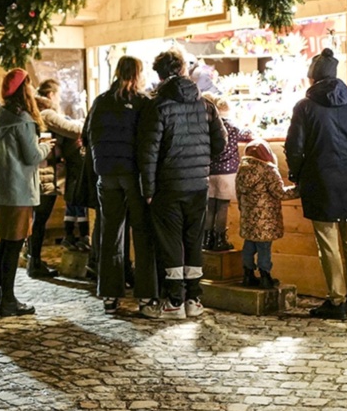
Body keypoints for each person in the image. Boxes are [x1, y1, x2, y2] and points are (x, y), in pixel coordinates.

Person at [284, 47, 347, 320]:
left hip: (319, 180)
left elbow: (294, 148)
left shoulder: (304, 107)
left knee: (327, 243)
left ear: (313, 78)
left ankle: (336, 300)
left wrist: (297, 173)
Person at [137, 50, 227, 319]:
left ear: (160, 74)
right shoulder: (205, 104)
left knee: (171, 241)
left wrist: (148, 190)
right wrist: (199, 159)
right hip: (198, 184)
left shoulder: (157, 106)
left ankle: (175, 301)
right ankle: (194, 300)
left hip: (168, 185)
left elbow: (148, 152)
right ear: (184, 70)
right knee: (193, 239)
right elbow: (220, 144)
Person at [85, 56, 157, 316]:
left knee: (111, 233)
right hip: (133, 175)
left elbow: (89, 134)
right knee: (142, 232)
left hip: (107, 174)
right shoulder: (142, 103)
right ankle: (146, 294)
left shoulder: (101, 102)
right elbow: (148, 141)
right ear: (138, 74)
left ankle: (110, 295)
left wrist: (99, 164)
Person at [0, 69, 52, 317]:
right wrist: (46, 146)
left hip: (2, 190)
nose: (32, 89)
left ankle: (1, 297)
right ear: (22, 90)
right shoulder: (23, 120)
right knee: (13, 247)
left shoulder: (1, 116)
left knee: (5, 245)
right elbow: (32, 156)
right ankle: (8, 301)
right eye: (29, 85)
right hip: (19, 190)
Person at [27, 79, 83, 279]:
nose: (59, 99)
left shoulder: (36, 111)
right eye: (58, 95)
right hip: (45, 172)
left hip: (41, 170)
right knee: (40, 219)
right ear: (51, 95)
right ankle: (34, 262)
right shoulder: (47, 113)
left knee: (37, 219)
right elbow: (73, 129)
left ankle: (33, 259)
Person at [235, 140, 297, 289]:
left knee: (249, 246)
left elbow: (238, 194)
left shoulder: (241, 170)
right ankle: (265, 277)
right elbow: (279, 192)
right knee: (264, 248)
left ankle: (248, 275)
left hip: (248, 217)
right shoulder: (268, 170)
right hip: (265, 220)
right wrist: (299, 190)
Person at [204, 95, 252, 251]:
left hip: (210, 171)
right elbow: (247, 134)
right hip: (227, 173)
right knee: (223, 206)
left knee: (210, 206)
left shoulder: (209, 125)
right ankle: (219, 239)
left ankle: (207, 239)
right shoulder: (233, 127)